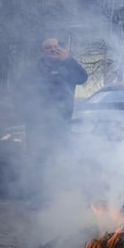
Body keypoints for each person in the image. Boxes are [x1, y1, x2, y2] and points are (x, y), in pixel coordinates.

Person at [17, 38, 88, 181]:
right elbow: (19, 94)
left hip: (60, 123)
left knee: (58, 158)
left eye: (56, 47)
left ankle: (56, 193)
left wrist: (68, 59)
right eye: (48, 47)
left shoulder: (68, 68)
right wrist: (26, 116)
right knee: (37, 160)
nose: (53, 50)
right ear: (42, 52)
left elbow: (82, 78)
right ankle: (36, 195)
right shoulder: (32, 71)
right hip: (36, 125)